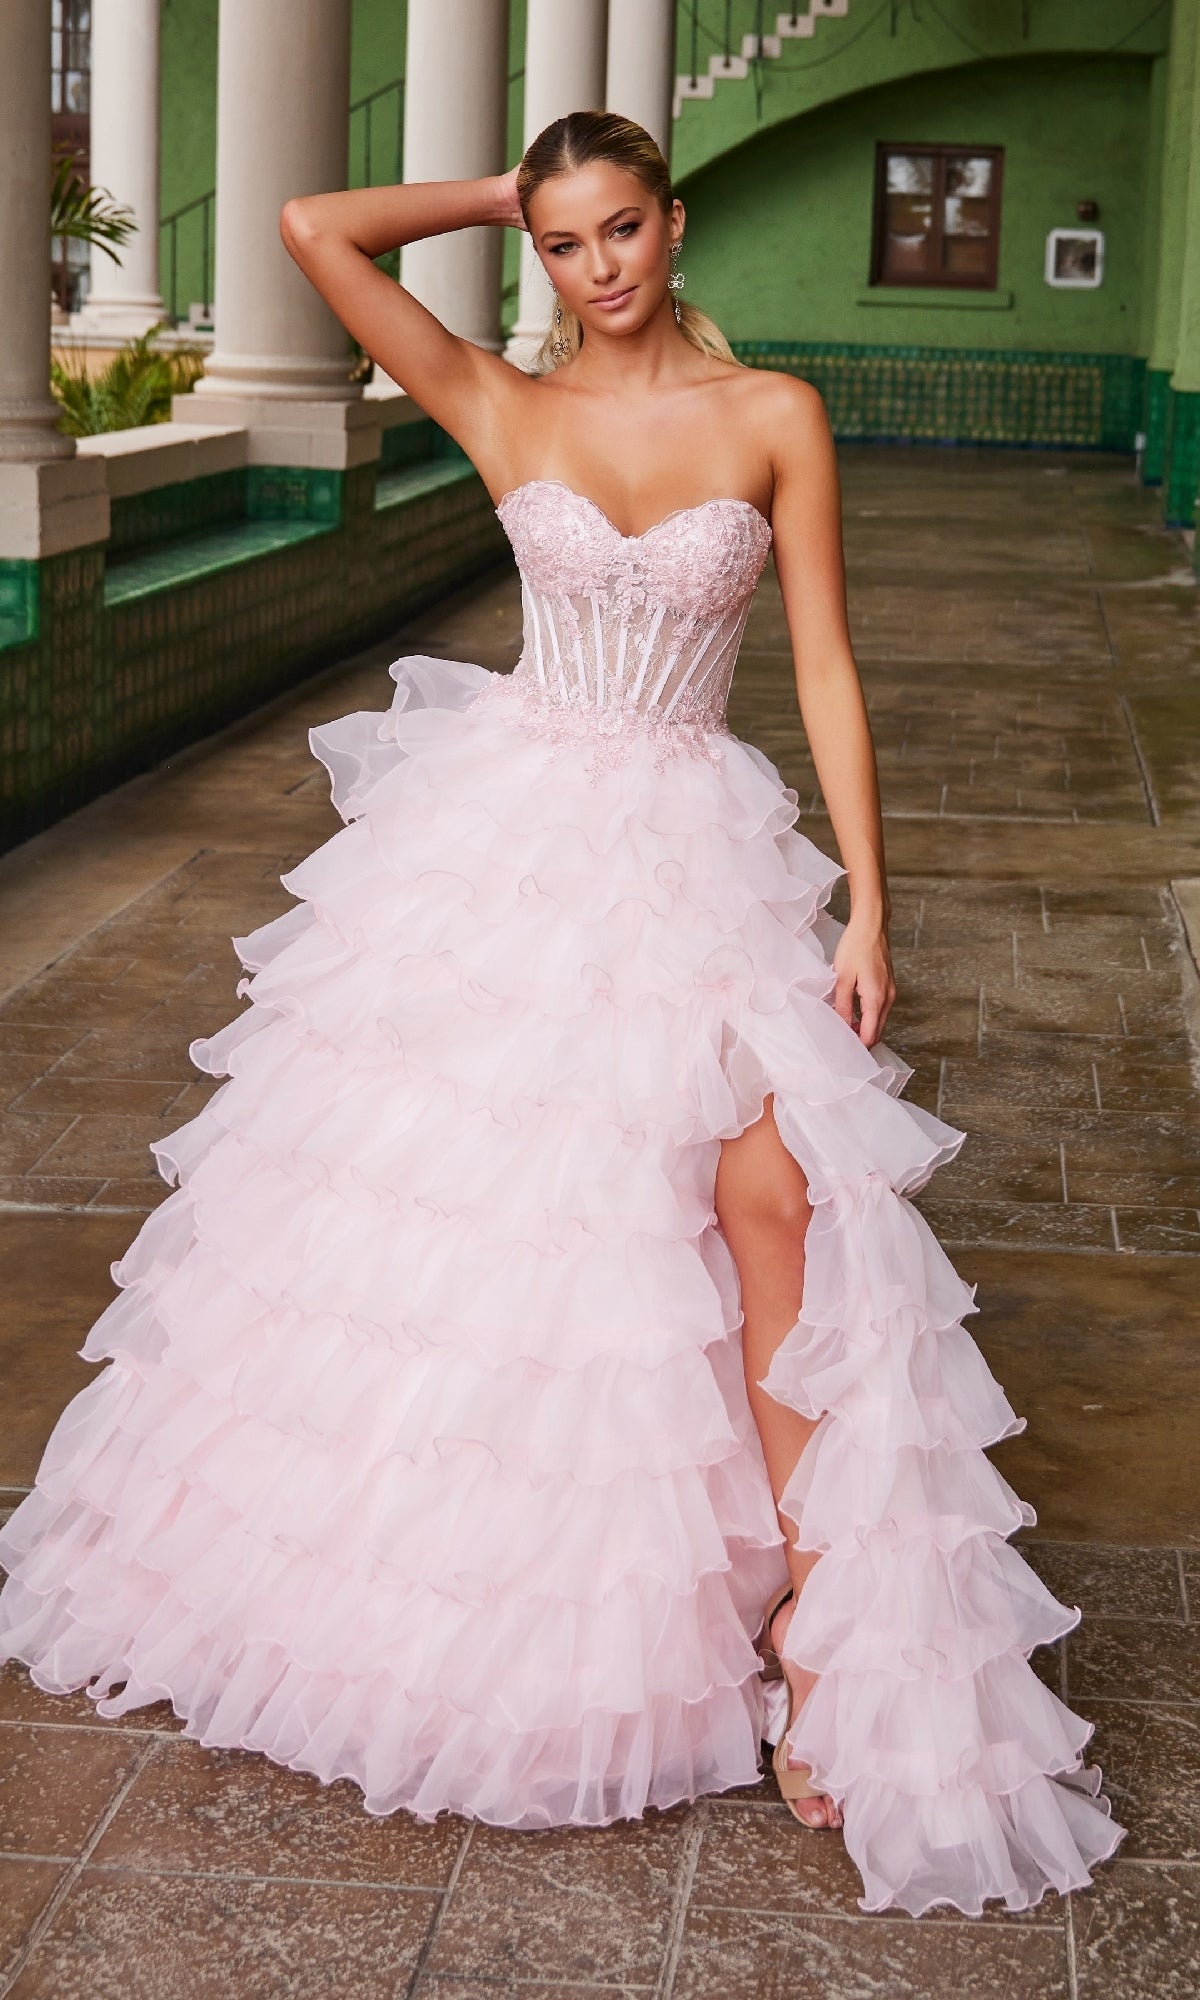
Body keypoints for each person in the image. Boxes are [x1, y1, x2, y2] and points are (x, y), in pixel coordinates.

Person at [0, 111, 1121, 1919]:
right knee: (516, 1230)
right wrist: (496, 198)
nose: (601, 270)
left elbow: (825, 660)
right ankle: (537, 1596)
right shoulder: (501, 401)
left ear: (675, 224)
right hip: (508, 848)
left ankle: (833, 1632)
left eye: (624, 230)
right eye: (568, 244)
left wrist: (875, 904)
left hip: (697, 839)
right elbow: (311, 226)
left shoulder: (776, 420)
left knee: (782, 1199)